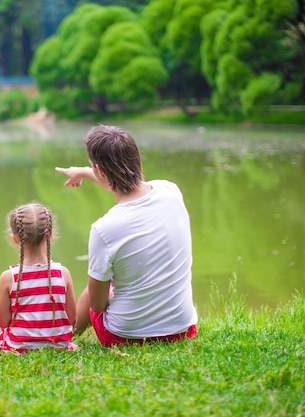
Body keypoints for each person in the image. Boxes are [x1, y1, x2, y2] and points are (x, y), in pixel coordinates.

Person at [55, 124, 198, 347]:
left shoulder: (104, 229)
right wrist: (83, 171)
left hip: (125, 337)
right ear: (136, 158)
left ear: (101, 171)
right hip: (182, 329)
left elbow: (98, 305)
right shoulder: (171, 191)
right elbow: (120, 182)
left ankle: (66, 338)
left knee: (95, 287)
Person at [0, 202, 78, 353]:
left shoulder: (9, 277)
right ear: (51, 235)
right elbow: (72, 318)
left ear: (15, 239)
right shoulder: (63, 273)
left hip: (19, 347)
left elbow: (3, 321)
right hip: (59, 347)